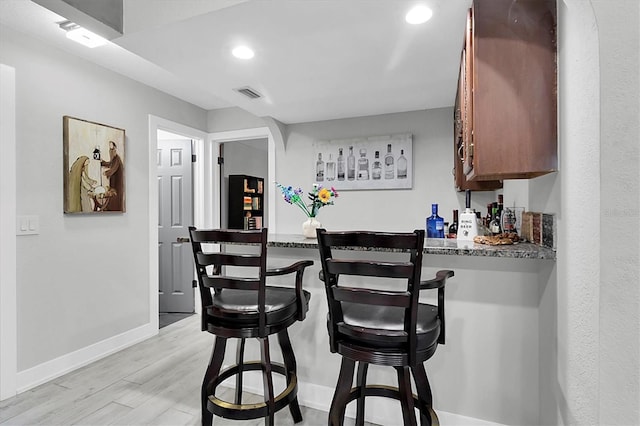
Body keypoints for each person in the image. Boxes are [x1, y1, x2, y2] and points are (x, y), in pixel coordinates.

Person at [100, 140, 124, 211]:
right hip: (113, 181)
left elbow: (114, 168)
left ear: (115, 148)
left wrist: (107, 173)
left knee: (115, 195)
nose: (111, 150)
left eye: (112, 148)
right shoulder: (113, 159)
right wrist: (102, 162)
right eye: (110, 148)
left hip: (117, 182)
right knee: (112, 193)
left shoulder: (117, 159)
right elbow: (110, 164)